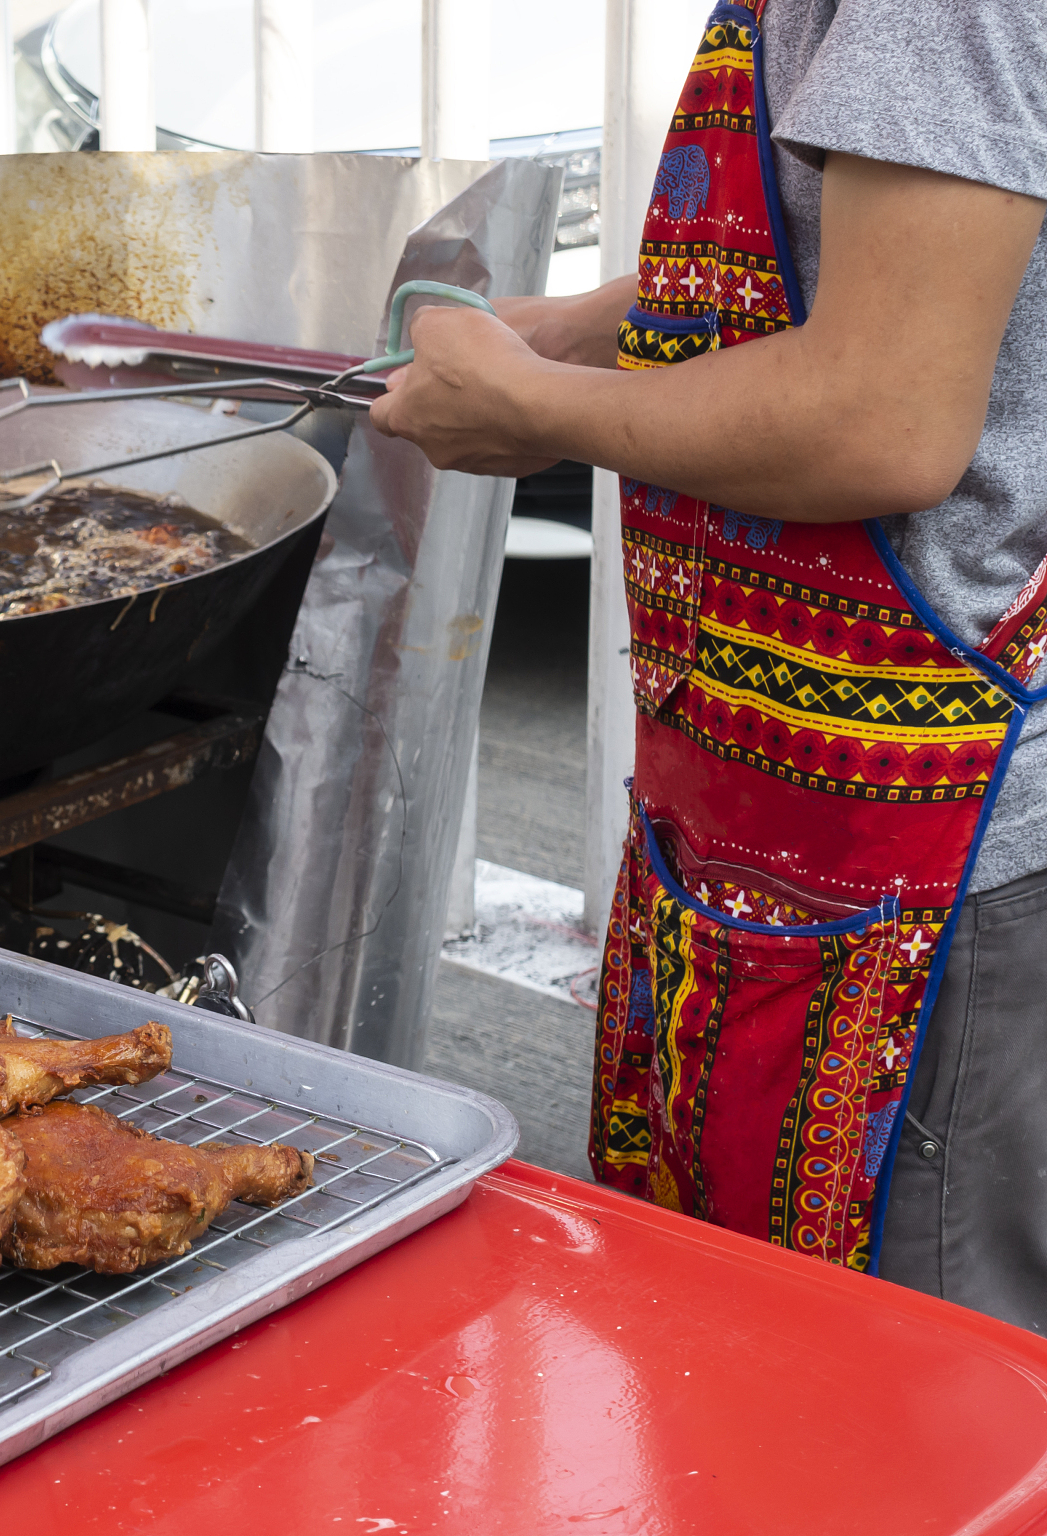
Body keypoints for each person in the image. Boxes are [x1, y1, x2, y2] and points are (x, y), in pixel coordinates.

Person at [371, 0, 1047, 1328]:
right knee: (734, 1356)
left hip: (944, 859)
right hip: (768, 818)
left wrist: (529, 410)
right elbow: (846, 250)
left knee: (910, 1405)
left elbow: (883, 416)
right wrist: (565, 330)